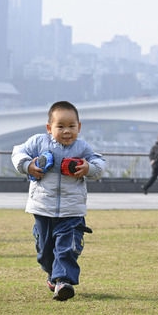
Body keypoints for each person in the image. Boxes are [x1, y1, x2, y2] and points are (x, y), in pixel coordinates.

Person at [11, 100, 106, 301]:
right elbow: (17, 152)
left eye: (71, 126)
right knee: (45, 252)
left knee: (67, 247)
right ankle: (52, 274)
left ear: (79, 127)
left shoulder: (82, 148)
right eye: (60, 126)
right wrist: (28, 166)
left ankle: (63, 281)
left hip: (72, 211)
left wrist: (88, 168)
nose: (66, 131)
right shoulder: (38, 142)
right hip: (42, 208)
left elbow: (99, 164)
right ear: (49, 128)